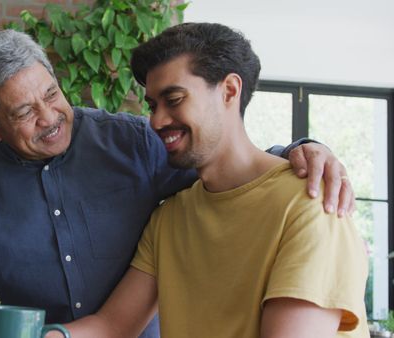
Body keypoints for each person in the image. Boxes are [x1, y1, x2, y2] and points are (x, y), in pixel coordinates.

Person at [0, 29, 355, 338]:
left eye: (52, 95)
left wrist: (303, 154)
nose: (51, 117)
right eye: (25, 112)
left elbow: (227, 161)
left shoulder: (138, 143)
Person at [54, 22, 369, 338]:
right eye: (153, 105)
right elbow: (112, 326)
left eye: (174, 99)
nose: (156, 120)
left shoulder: (313, 206)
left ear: (230, 90)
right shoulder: (170, 218)